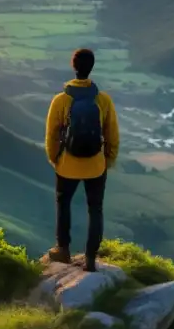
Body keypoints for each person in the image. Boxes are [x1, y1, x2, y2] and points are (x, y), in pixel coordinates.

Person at [44, 48, 120, 272]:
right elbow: (112, 134)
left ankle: (63, 250)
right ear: (92, 67)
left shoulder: (61, 100)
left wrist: (55, 159)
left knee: (63, 203)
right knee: (95, 209)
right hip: (96, 166)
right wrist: (108, 160)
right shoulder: (103, 100)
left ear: (73, 66)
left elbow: (51, 136)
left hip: (67, 165)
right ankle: (90, 258)